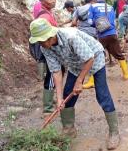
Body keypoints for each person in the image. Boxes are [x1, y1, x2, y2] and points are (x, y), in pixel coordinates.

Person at [29, 18, 120, 150]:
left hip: (94, 58)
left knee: (102, 95)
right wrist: (59, 98)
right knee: (67, 97)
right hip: (75, 64)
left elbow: (89, 58)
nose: (40, 44)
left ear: (50, 36)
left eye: (41, 41)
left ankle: (114, 132)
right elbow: (56, 72)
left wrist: (79, 81)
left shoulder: (70, 37)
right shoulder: (45, 48)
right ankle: (69, 129)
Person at [88, 0, 128, 80]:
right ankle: (126, 74)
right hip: (112, 33)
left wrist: (97, 26)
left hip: (102, 35)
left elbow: (89, 22)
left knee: (94, 56)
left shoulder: (92, 6)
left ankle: (92, 81)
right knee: (118, 53)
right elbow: (113, 20)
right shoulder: (110, 7)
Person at [31, 0, 59, 120]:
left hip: (44, 44)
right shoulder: (45, 16)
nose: (53, 1)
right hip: (47, 46)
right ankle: (47, 108)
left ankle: (49, 101)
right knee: (53, 74)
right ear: (42, 1)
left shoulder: (42, 9)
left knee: (51, 73)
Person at [72, 0, 97, 89]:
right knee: (93, 55)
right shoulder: (95, 7)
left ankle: (81, 76)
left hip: (81, 34)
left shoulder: (79, 9)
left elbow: (74, 22)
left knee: (84, 55)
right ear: (93, 1)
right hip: (94, 33)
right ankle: (92, 78)